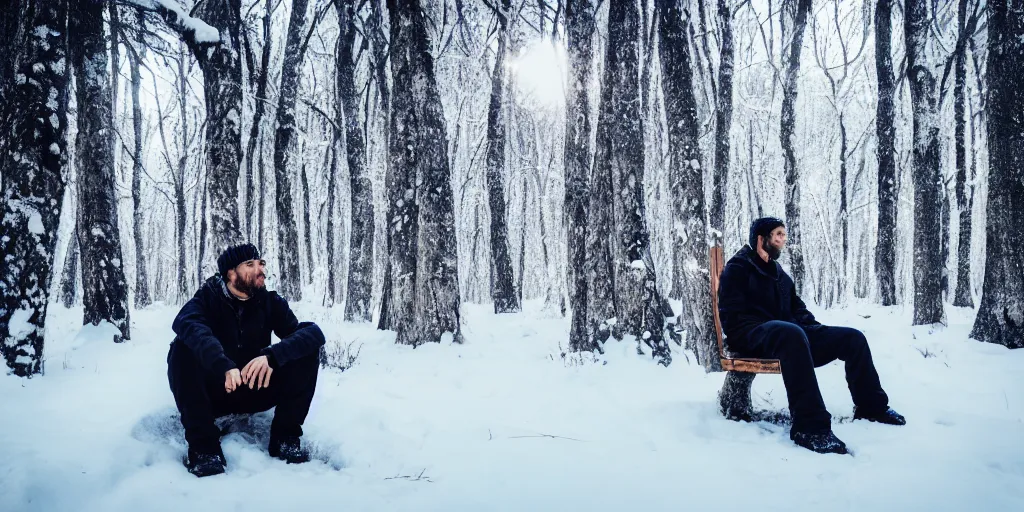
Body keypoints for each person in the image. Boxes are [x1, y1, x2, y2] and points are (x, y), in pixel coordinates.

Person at [718, 217, 906, 455]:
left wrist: (814, 331)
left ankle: (872, 407)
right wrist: (771, 329)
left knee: (853, 338)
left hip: (789, 338)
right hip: (751, 337)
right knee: (791, 333)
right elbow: (731, 315)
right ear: (760, 239)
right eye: (778, 235)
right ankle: (810, 428)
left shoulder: (778, 273)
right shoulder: (738, 268)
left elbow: (797, 308)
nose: (783, 241)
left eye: (784, 236)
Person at [167, 243, 326, 476]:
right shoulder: (206, 300)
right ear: (231, 273)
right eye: (250, 264)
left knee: (304, 349)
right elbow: (188, 325)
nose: (260, 269)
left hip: (255, 389)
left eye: (261, 263)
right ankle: (204, 449)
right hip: (215, 394)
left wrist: (271, 356)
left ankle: (285, 439)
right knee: (181, 348)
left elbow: (312, 334)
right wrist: (223, 365)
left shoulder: (270, 302)